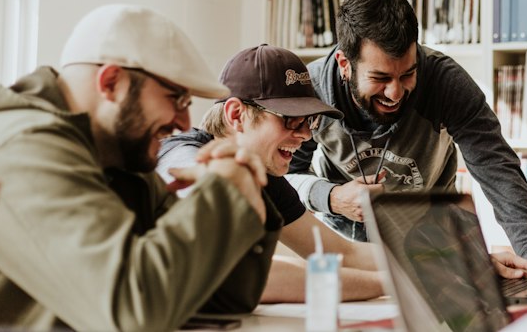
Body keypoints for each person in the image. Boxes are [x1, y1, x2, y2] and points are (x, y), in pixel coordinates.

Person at [0, 4, 281, 330]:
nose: (184, 122)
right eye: (175, 98)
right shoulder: (22, 149)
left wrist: (245, 193)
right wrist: (223, 194)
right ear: (111, 82)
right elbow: (132, 312)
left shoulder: (116, 158)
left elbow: (218, 299)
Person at [286, 0, 527, 272]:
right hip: (347, 250)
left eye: (408, 74)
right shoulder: (311, 90)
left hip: (433, 244)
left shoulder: (445, 82)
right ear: (345, 64)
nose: (395, 93)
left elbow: (498, 171)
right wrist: (332, 197)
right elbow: (285, 178)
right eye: (380, 78)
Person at [156, 44, 385, 303]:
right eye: (291, 119)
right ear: (236, 115)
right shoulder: (182, 158)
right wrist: (390, 284)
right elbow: (244, 274)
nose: (306, 135)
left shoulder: (264, 176)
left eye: (308, 121)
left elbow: (341, 253)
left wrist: (423, 264)